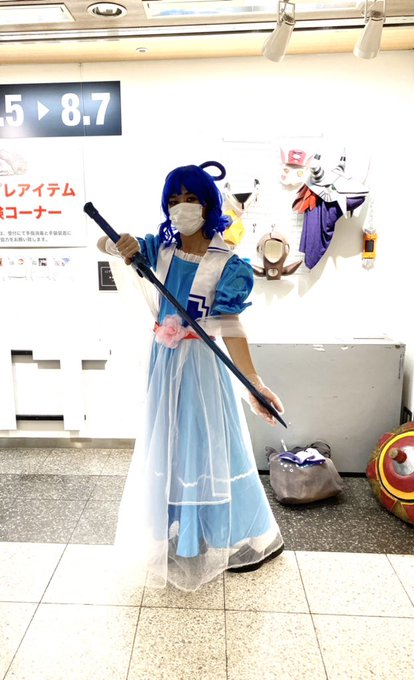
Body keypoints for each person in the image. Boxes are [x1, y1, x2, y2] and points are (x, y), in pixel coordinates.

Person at [97, 161, 285, 592]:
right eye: (174, 200)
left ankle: (241, 535)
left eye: (191, 198)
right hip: (164, 365)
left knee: (210, 444)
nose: (182, 207)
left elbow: (231, 326)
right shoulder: (156, 251)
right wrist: (118, 242)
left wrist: (254, 382)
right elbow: (103, 243)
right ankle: (183, 534)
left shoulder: (227, 264)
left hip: (202, 367)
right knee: (170, 445)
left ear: (209, 204)